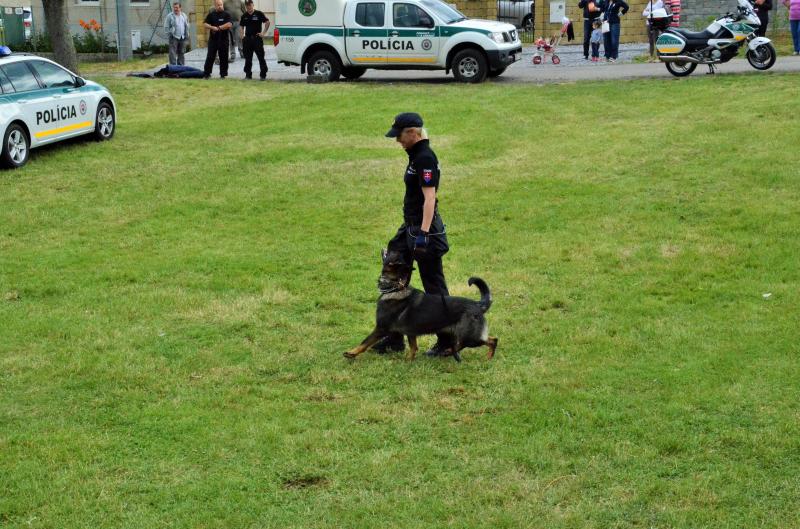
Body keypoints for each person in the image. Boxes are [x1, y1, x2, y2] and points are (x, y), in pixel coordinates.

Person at [372, 113, 451, 357]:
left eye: (399, 135)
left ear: (413, 133)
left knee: (433, 285)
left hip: (424, 229)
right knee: (393, 271)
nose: (397, 140)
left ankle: (448, 340)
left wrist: (423, 234)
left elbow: (430, 198)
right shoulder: (416, 156)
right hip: (409, 225)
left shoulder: (425, 158)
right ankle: (394, 336)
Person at [239, 0, 270, 79]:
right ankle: (248, 75)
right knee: (248, 59)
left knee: (261, 57)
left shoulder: (259, 13)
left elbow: (267, 22)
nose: (248, 7)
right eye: (247, 5)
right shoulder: (244, 15)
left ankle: (263, 75)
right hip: (247, 39)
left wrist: (263, 33)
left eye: (250, 5)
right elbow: (241, 26)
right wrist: (242, 36)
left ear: (253, 5)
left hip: (257, 39)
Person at [203, 0, 233, 79]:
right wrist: (212, 27)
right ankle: (207, 73)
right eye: (218, 5)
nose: (220, 6)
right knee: (210, 56)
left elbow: (229, 24)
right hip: (213, 39)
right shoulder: (211, 15)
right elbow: (205, 24)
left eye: (221, 5)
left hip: (224, 39)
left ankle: (223, 74)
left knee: (224, 57)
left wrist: (219, 28)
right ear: (215, 6)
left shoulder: (226, 14)